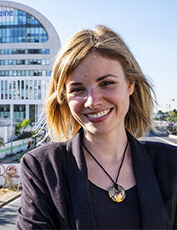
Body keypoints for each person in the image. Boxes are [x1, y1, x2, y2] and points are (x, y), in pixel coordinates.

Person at [16, 25, 177, 229]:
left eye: (107, 83)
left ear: (130, 85)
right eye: (78, 89)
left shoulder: (171, 164)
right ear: (64, 97)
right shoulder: (43, 168)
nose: (92, 101)